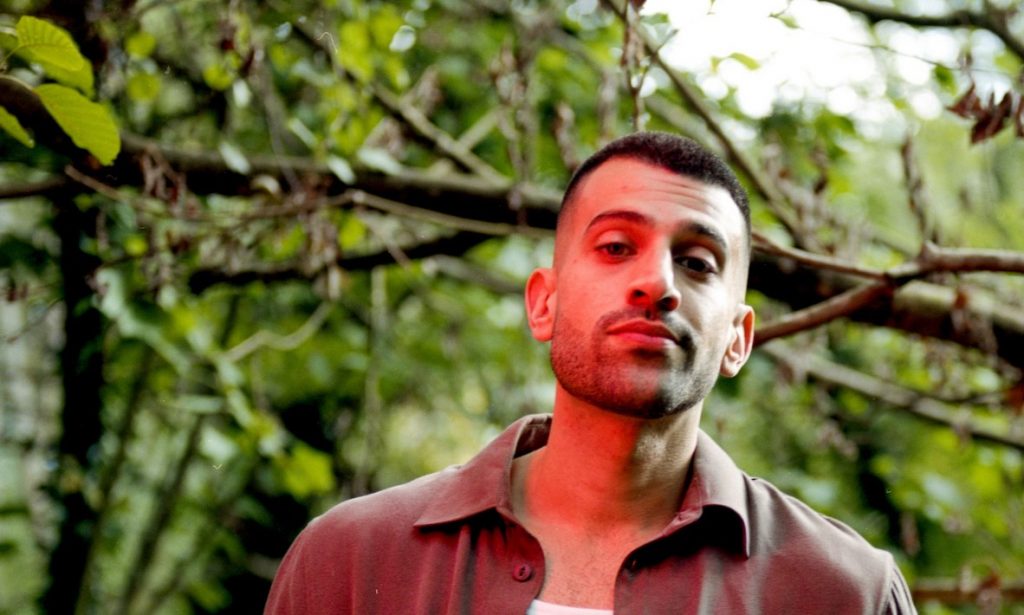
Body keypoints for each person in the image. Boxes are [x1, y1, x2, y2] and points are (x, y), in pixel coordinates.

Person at [264, 132, 916, 614]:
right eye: (615, 246)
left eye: (697, 262)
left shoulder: (847, 593)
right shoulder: (350, 561)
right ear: (543, 303)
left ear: (738, 339)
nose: (656, 283)